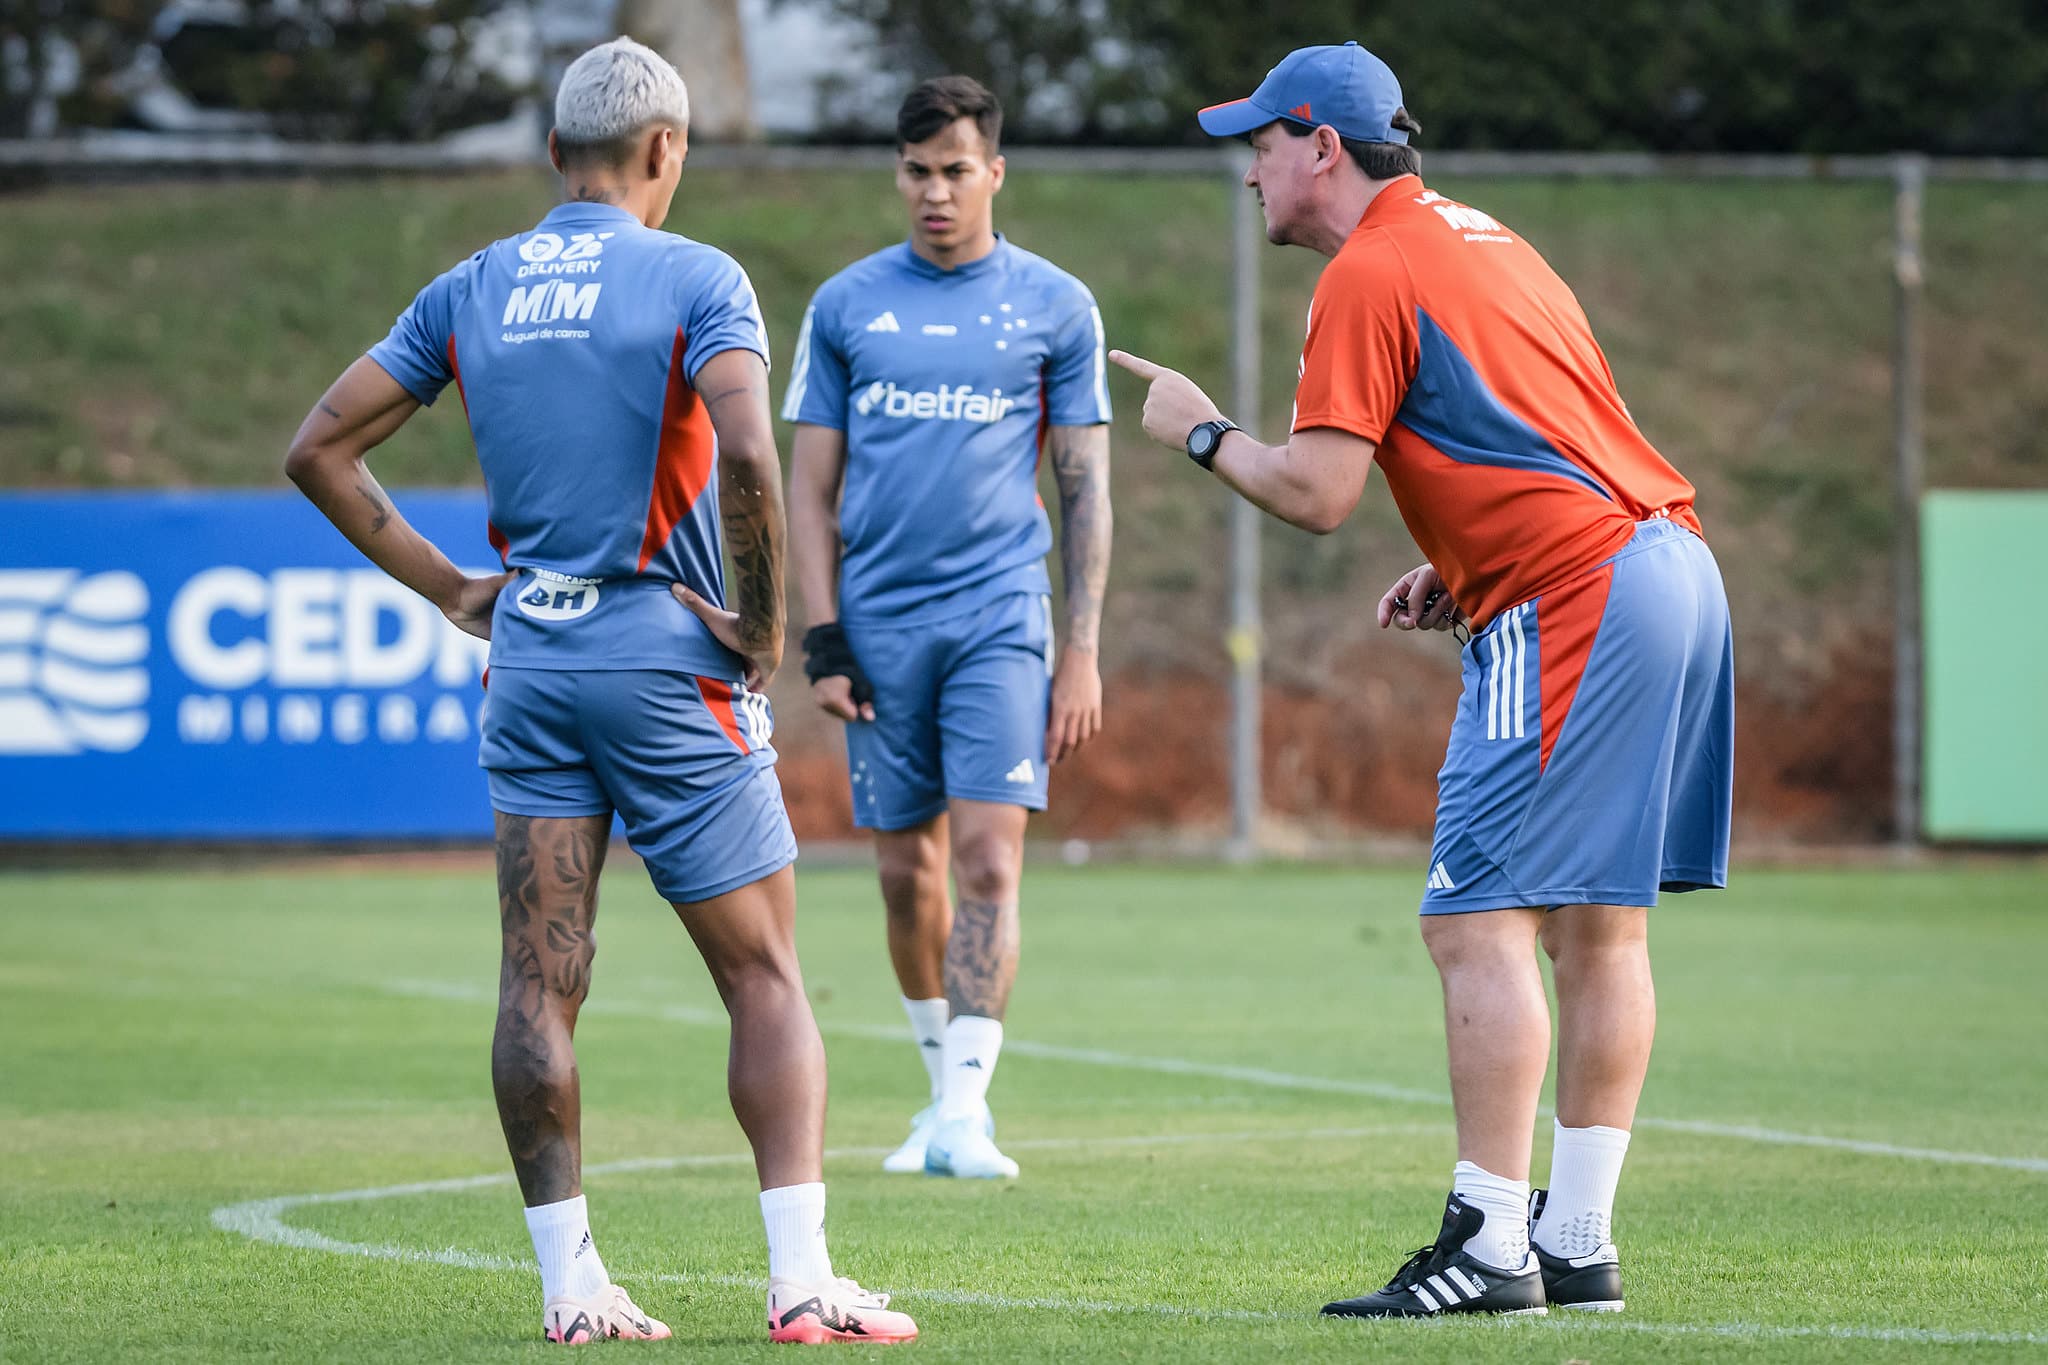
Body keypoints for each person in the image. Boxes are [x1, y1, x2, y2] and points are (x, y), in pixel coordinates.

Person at [283, 37, 917, 1347]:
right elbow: (749, 441)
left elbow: (320, 449)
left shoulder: (470, 286)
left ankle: (572, 1288)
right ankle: (800, 1284)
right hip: (662, 664)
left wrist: (454, 588)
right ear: (665, 150)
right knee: (766, 979)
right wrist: (757, 622)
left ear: (552, 152)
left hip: (532, 658)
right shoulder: (694, 274)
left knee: (538, 978)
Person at [1110, 41, 1732, 1319]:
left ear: (1320, 147)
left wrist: (1198, 429)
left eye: (1261, 143)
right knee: (1598, 927)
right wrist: (1460, 556)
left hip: (1572, 599)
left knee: (1471, 920)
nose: (1250, 174)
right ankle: (1574, 1242)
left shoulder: (1369, 268)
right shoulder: (1481, 237)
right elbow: (1546, 428)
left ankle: (1489, 1243)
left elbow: (1316, 493)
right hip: (1665, 565)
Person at [782, 76, 1114, 1180]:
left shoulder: (1055, 306)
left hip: (998, 617)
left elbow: (1083, 492)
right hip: (877, 626)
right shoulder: (842, 308)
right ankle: (936, 1091)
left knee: (984, 860)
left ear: (994, 174)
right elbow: (809, 492)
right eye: (917, 171)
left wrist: (1079, 646)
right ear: (898, 173)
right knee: (900, 875)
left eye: (955, 171)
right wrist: (820, 638)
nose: (934, 192)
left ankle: (967, 1110)